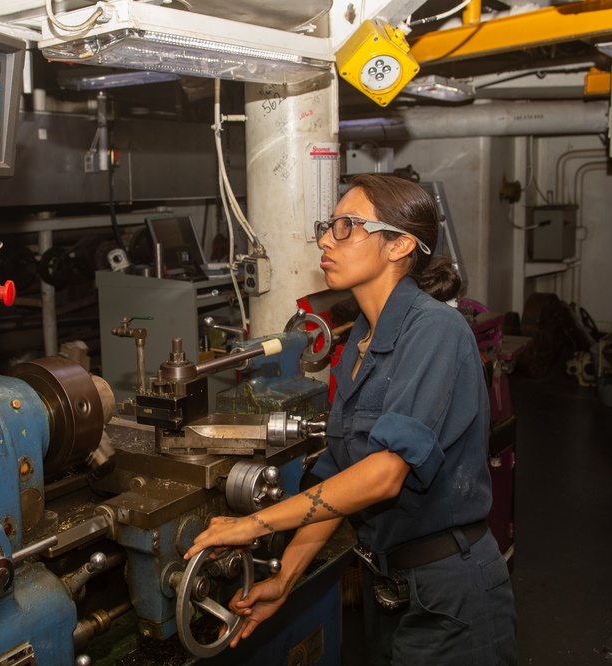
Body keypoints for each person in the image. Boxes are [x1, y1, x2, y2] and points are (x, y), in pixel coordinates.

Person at [184, 173, 517, 664]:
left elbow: (383, 476)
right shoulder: (360, 342)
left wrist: (254, 524)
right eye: (328, 225)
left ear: (400, 244)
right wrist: (286, 576)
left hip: (450, 593)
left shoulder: (436, 331)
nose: (325, 239)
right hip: (390, 586)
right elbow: (343, 476)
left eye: (346, 226)